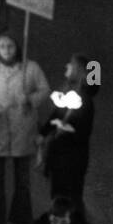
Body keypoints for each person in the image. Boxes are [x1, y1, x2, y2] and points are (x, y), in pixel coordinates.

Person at [0, 33, 50, 224]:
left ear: (17, 47)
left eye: (10, 46)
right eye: (2, 46)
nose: (7, 50)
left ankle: (22, 222)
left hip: (22, 130)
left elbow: (44, 89)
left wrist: (30, 98)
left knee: (22, 181)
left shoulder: (31, 68)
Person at [38, 54, 97, 207]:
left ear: (79, 71)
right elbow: (56, 115)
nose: (67, 66)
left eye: (71, 65)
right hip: (60, 157)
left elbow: (83, 132)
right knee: (59, 197)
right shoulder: (68, 92)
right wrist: (43, 134)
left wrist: (66, 130)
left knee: (70, 200)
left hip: (72, 159)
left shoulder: (84, 100)